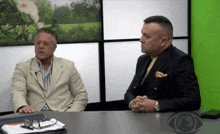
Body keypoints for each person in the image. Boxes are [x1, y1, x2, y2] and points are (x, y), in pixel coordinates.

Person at [124, 15, 201, 112]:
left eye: (147, 36)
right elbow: (130, 92)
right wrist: (133, 102)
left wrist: (156, 105)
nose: (141, 40)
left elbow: (193, 100)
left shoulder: (181, 60)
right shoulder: (142, 60)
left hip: (167, 122)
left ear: (163, 41)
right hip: (140, 121)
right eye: (142, 34)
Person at [11, 28, 88, 113]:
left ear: (54, 47)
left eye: (46, 44)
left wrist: (71, 114)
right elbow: (18, 91)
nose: (40, 46)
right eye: (38, 43)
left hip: (64, 114)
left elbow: (81, 95)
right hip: (35, 116)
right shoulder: (22, 67)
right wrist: (22, 106)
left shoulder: (68, 66)